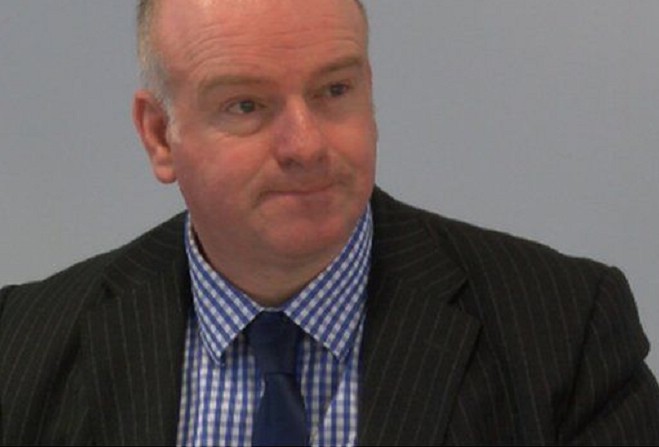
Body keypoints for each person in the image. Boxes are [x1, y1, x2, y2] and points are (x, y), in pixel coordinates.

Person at [1, 0, 657, 445]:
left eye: (334, 91)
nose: (306, 144)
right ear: (158, 135)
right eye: (246, 105)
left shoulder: (563, 328)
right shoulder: (20, 345)